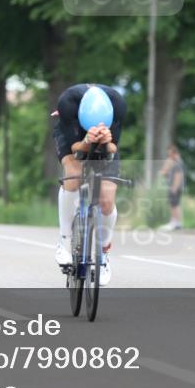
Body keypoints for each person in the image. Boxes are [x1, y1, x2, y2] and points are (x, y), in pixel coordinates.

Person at [52, 83, 127, 286]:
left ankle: (103, 255)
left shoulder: (117, 104)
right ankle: (65, 241)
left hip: (103, 142)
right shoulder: (68, 102)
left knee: (106, 200)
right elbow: (76, 147)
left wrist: (107, 140)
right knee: (74, 172)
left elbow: (112, 148)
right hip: (73, 138)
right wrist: (86, 140)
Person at [159, 144, 185, 230]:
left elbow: (179, 175)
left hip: (175, 187)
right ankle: (175, 221)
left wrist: (175, 187)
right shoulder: (173, 162)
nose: (169, 156)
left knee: (175, 205)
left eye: (170, 154)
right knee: (174, 204)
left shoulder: (177, 162)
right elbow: (164, 173)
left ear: (174, 153)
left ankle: (176, 222)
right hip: (173, 186)